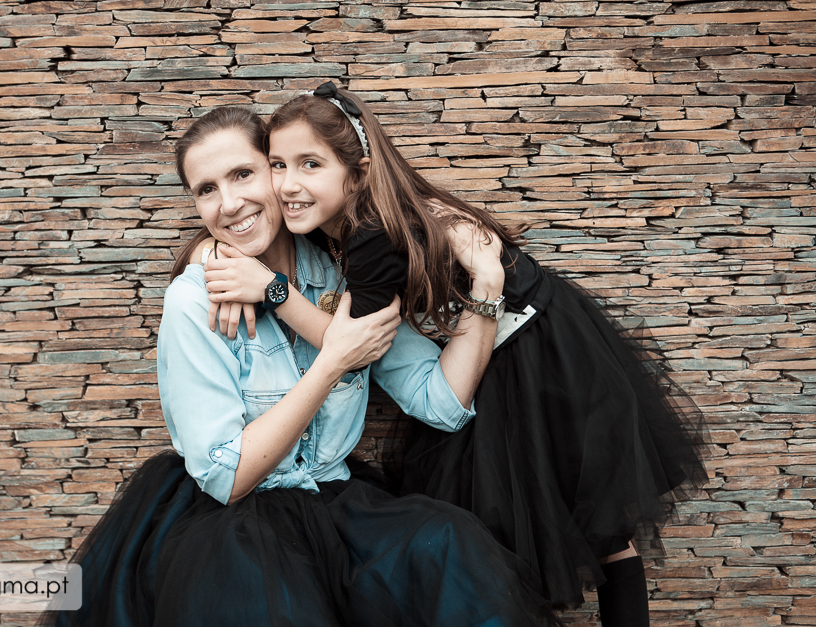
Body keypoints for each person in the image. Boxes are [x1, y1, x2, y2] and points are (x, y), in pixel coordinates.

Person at [204, 83, 709, 626]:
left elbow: (350, 342)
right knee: (546, 529)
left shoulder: (372, 233)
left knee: (570, 523)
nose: (287, 184)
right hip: (520, 337)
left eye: (310, 164)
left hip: (533, 354)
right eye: (277, 165)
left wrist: (273, 291)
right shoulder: (356, 221)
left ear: (359, 171)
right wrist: (212, 249)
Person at [40, 105, 552, 627]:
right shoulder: (196, 301)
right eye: (206, 189)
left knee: (448, 547)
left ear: (276, 172)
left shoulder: (347, 277)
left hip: (336, 503)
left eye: (244, 174)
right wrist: (332, 363)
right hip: (233, 522)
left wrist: (486, 289)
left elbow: (441, 402)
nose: (229, 203)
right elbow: (228, 479)